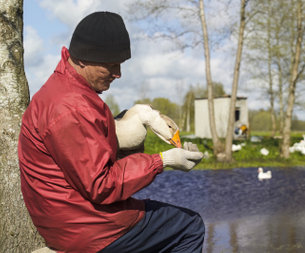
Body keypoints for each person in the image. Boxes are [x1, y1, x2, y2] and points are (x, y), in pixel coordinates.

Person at [18, 11, 205, 252]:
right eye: (111, 65)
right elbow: (101, 184)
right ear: (84, 59)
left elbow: (94, 163)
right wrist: (162, 160)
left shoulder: (66, 91)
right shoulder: (72, 108)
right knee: (189, 227)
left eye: (120, 64)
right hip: (88, 228)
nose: (118, 73)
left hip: (72, 218)